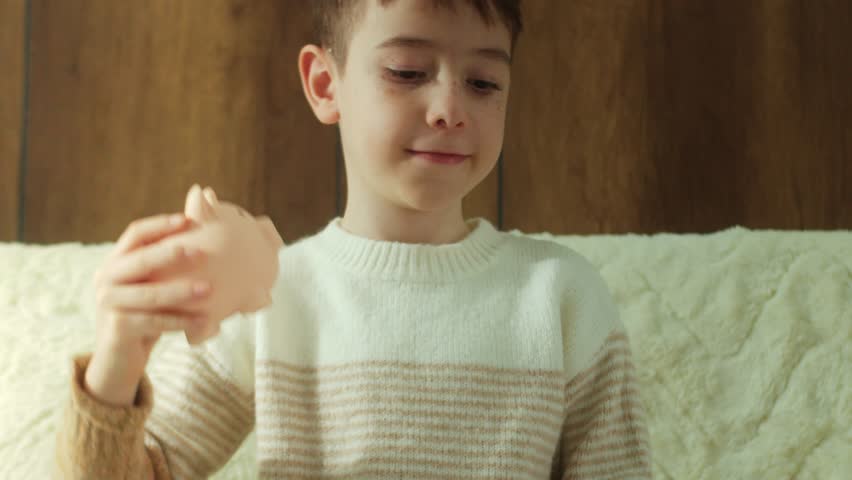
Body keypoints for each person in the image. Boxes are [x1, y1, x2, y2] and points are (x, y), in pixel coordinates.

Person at [54, 0, 652, 478]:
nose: (449, 107)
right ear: (324, 83)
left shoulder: (561, 296)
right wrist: (118, 361)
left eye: (485, 82)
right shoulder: (272, 296)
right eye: (407, 72)